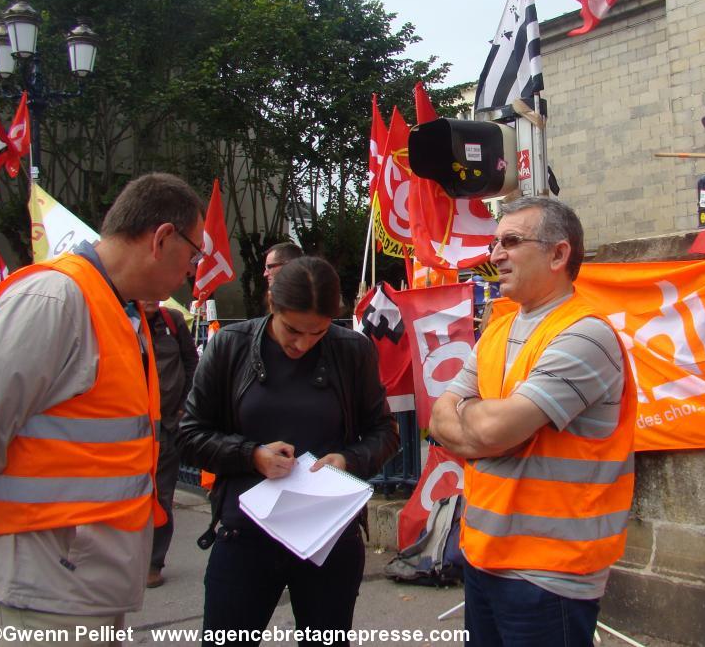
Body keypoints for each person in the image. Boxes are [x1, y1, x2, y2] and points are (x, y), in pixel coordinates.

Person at [0, 173, 204, 644]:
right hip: (45, 587)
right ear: (162, 238)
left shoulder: (119, 310)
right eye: (194, 252)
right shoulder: (54, 299)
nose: (193, 269)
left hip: (84, 585)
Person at [429, 196, 637, 647]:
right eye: (494, 242)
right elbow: (438, 418)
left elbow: (485, 430)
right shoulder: (499, 330)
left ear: (559, 254)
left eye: (510, 241)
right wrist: (482, 425)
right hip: (483, 558)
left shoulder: (585, 334)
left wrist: (473, 421)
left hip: (549, 575)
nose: (494, 254)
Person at [177, 256, 399, 647]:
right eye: (292, 330)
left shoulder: (351, 350)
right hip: (244, 534)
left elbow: (385, 432)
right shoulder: (231, 345)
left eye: (318, 333)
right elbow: (189, 434)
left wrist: (347, 461)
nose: (303, 344)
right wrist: (251, 455)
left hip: (328, 537)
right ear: (271, 305)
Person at [137, 300, 199, 589]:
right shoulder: (121, 319)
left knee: (161, 496)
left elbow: (191, 363)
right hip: (130, 431)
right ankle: (128, 560)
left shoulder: (172, 322)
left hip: (167, 427)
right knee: (131, 497)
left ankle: (153, 562)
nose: (152, 297)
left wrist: (184, 405)